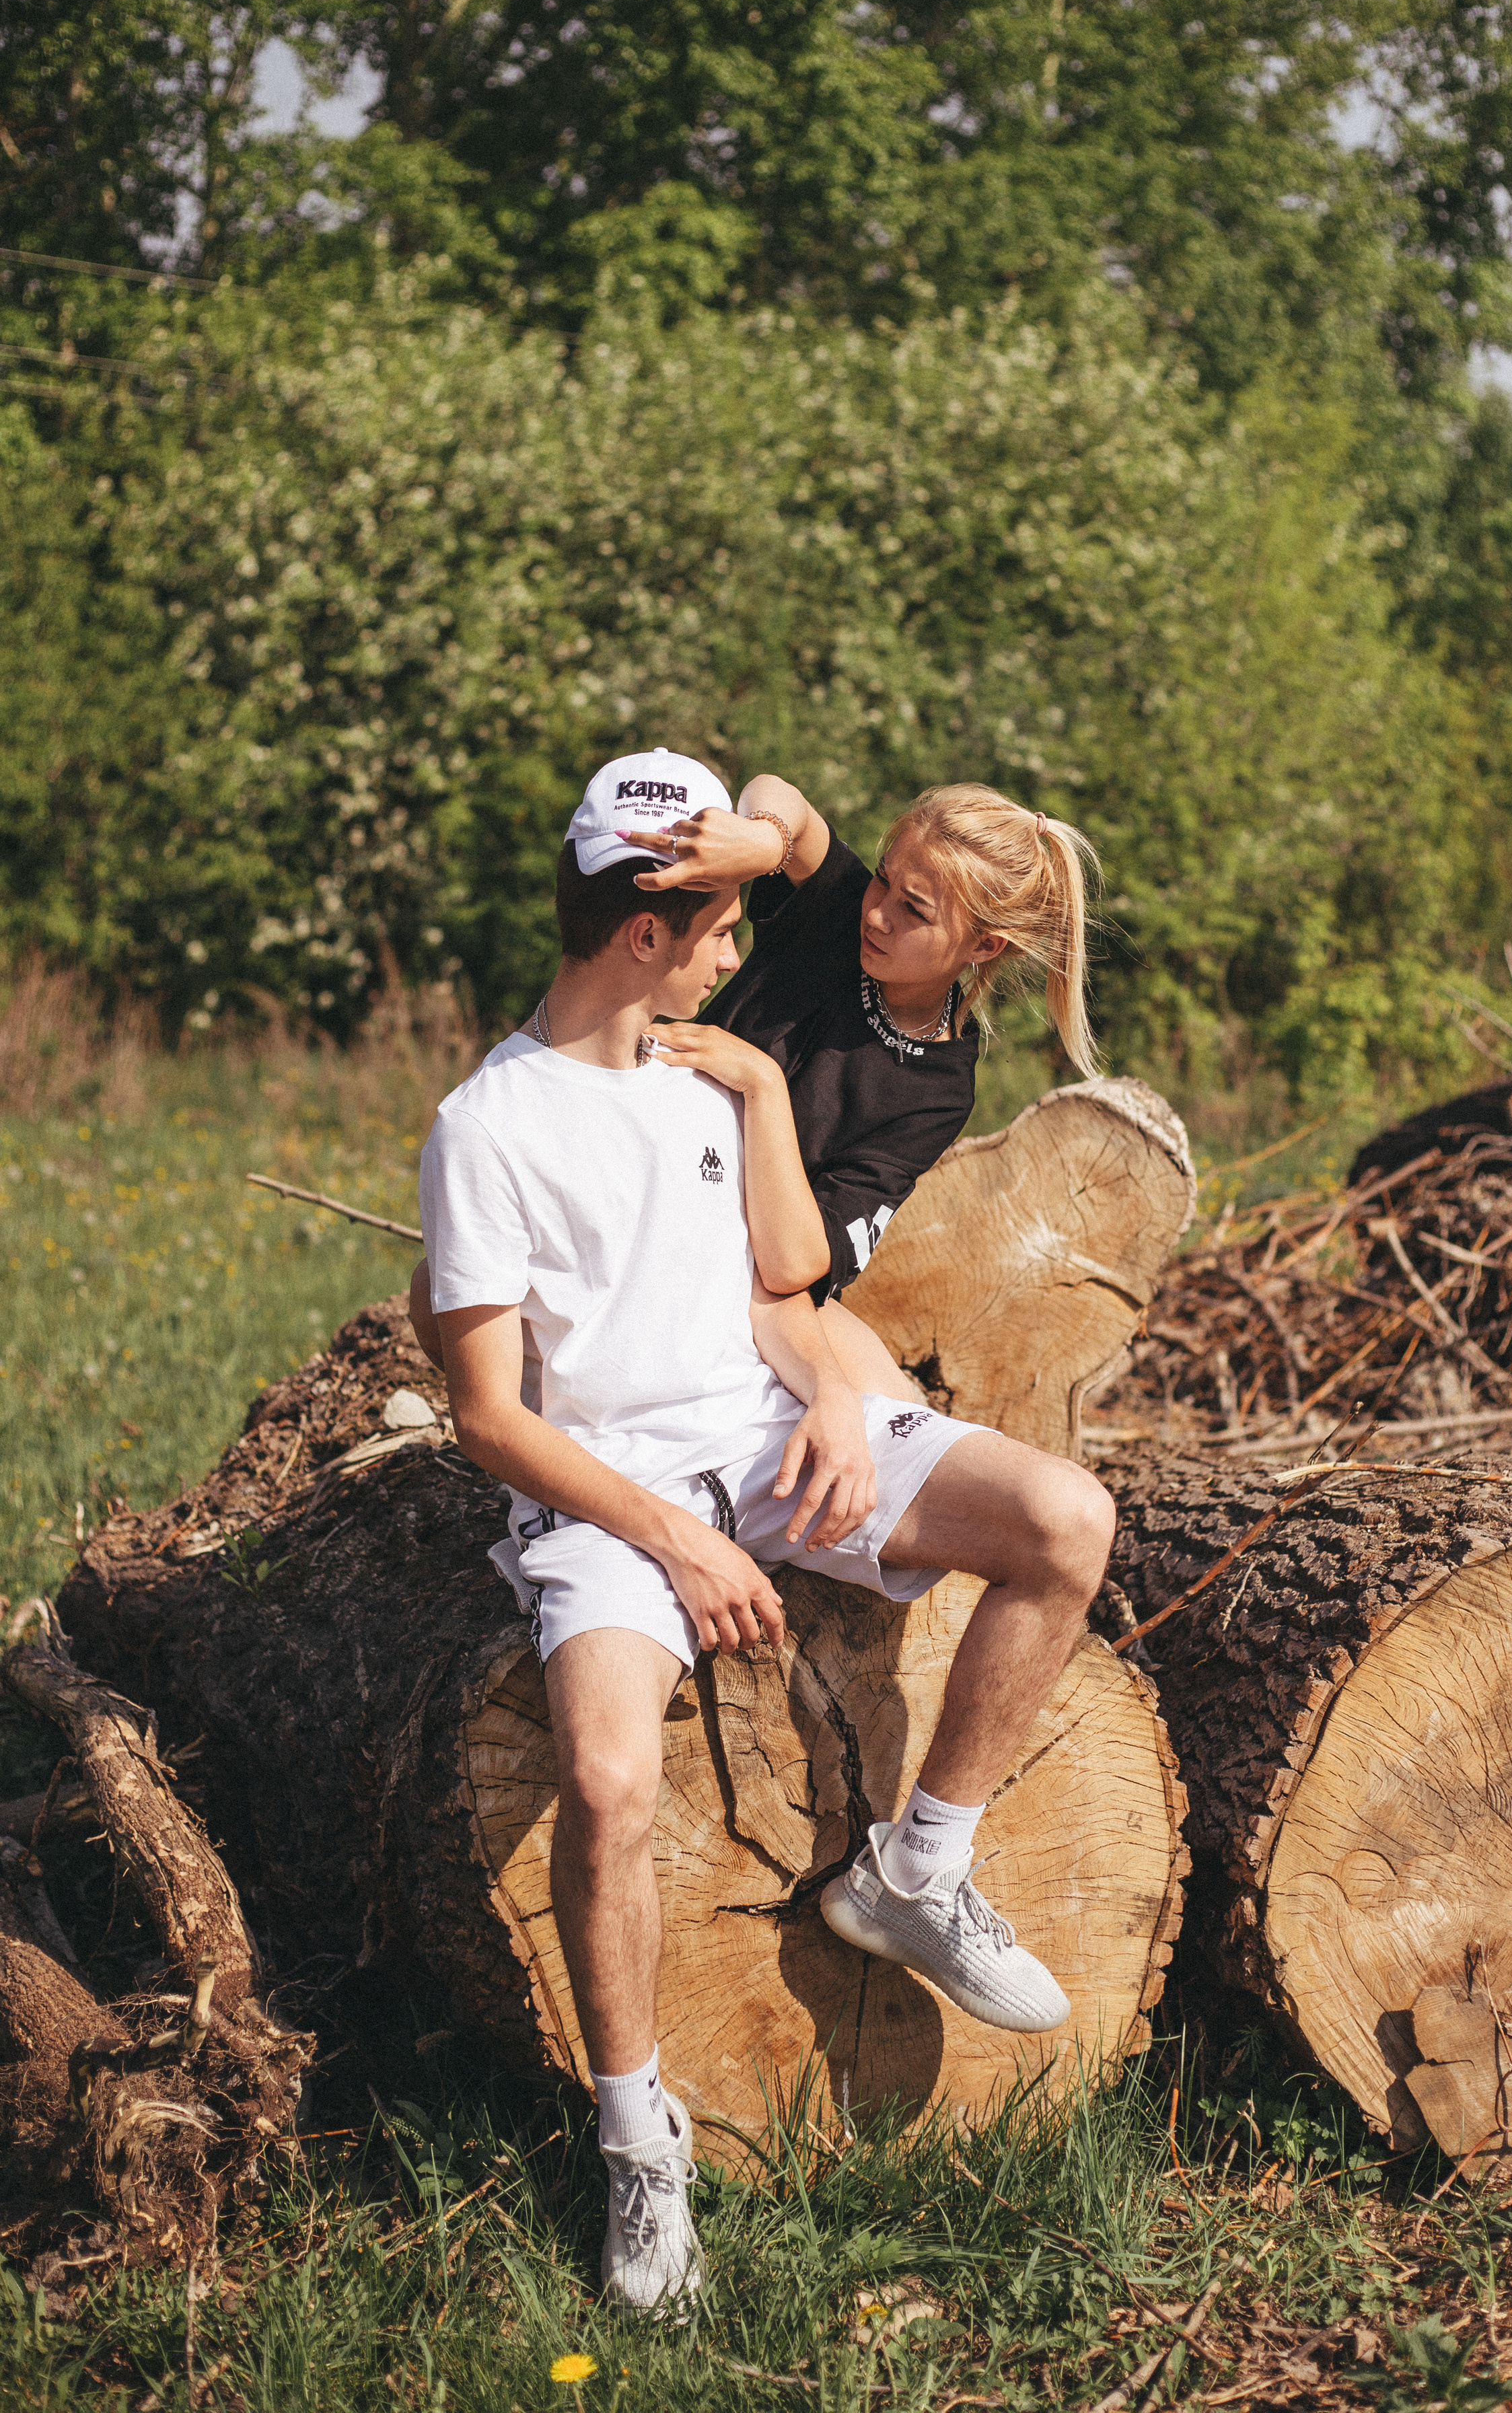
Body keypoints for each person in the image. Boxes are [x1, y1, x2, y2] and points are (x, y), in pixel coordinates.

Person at [417, 749, 1116, 2318]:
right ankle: (637, 2142)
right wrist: (679, 1538)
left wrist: (825, 1393)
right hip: (604, 1477)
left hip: (761, 1415)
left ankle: (917, 1870)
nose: (750, 958)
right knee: (604, 1774)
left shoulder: (725, 1077)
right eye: (722, 928)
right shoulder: (487, 1125)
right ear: (654, 934)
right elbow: (488, 1418)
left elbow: (788, 1284)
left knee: (1065, 1516)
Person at [626, 772, 1104, 1399]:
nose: (876, 913)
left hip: (753, 1279)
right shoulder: (838, 914)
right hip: (641, 1180)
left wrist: (762, 1084)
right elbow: (780, 795)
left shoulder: (940, 1089)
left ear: (984, 944)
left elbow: (799, 1263)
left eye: (915, 910)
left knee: (901, 1411)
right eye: (883, 878)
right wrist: (768, 842)